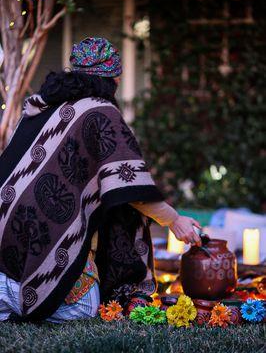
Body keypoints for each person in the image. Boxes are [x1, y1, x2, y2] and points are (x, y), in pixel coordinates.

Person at [0, 37, 201, 322]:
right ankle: (14, 294)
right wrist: (174, 220)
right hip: (43, 231)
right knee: (84, 308)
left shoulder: (44, 106)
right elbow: (130, 186)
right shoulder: (100, 112)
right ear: (112, 79)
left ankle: (10, 289)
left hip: (7, 228)